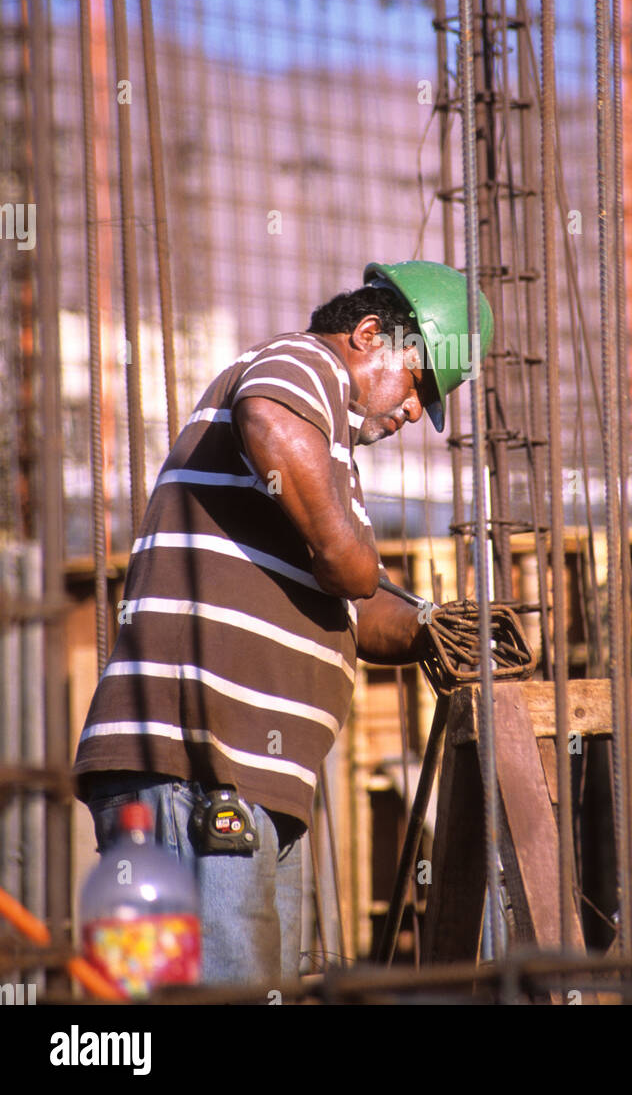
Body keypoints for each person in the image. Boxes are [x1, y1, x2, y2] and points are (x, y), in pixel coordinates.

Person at [73, 259, 493, 987]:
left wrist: (431, 628)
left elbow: (352, 608)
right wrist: (351, 557)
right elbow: (267, 418)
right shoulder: (303, 365)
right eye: (418, 387)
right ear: (367, 334)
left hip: (247, 777)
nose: (408, 416)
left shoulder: (327, 461)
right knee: (217, 991)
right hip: (197, 766)